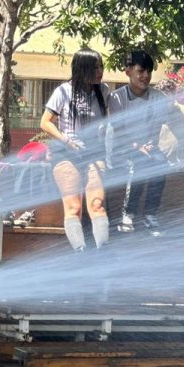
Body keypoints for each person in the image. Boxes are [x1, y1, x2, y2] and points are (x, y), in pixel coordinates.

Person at [40, 48, 111, 251]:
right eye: (95, 67)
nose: (100, 71)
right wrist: (65, 141)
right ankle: (80, 253)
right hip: (66, 155)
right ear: (83, 69)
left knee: (97, 205)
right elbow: (45, 122)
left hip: (94, 155)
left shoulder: (104, 91)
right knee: (74, 207)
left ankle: (103, 252)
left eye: (101, 67)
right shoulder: (62, 91)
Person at [108, 50, 175, 236]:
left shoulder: (158, 97)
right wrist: (137, 147)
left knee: (160, 164)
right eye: (141, 71)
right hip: (123, 148)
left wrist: (148, 145)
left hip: (149, 147)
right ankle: (128, 212)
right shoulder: (116, 98)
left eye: (149, 72)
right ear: (128, 71)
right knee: (139, 163)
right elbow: (118, 130)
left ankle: (150, 213)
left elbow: (156, 128)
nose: (145, 76)